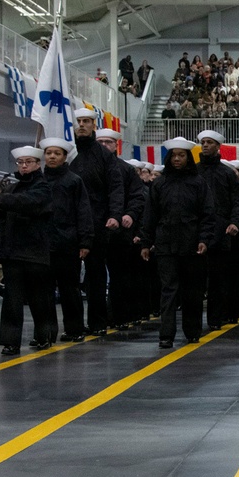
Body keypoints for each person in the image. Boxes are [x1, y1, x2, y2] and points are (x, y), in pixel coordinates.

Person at [140, 136, 215, 348]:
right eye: (174, 156)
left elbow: (208, 214)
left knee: (192, 290)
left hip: (192, 245)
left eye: (182, 155)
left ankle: (192, 331)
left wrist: (204, 239)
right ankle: (166, 334)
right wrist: (146, 242)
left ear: (188, 158)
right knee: (168, 290)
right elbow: (150, 214)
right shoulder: (160, 184)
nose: (177, 159)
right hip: (166, 244)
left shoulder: (199, 183)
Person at [0, 146, 54, 355]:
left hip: (35, 251)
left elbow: (29, 203)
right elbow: (1, 215)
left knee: (38, 298)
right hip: (12, 251)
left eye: (28, 162)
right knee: (12, 300)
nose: (24, 166)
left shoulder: (43, 187)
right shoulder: (11, 189)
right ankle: (11, 341)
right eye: (20, 163)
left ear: (37, 164)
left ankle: (44, 335)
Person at [70, 108, 124, 336]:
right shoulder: (69, 154)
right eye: (79, 121)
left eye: (86, 121)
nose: (82, 125)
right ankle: (73, 325)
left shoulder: (104, 157)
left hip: (97, 223)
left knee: (95, 275)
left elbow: (115, 188)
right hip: (70, 225)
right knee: (69, 278)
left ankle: (97, 322)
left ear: (94, 124)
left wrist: (114, 215)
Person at [41, 138, 95, 342]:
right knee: (44, 292)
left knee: (69, 290)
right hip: (43, 244)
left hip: (67, 243)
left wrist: (85, 241)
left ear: (64, 157)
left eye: (57, 153)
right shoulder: (39, 181)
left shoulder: (74, 181)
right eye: (49, 153)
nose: (52, 156)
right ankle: (46, 332)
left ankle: (74, 329)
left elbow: (83, 212)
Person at [195, 130, 239, 330]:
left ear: (218, 147)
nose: (205, 146)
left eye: (210, 142)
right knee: (196, 280)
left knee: (218, 279)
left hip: (220, 233)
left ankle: (216, 319)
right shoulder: (195, 171)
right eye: (203, 142)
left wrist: (234, 222)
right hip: (195, 232)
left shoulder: (227, 174)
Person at [96, 128, 145, 330]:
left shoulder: (125, 170)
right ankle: (97, 320)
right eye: (101, 142)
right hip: (95, 230)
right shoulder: (85, 166)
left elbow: (138, 196)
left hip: (119, 233)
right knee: (95, 278)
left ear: (116, 145)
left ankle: (119, 316)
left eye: (108, 142)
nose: (104, 145)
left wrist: (130, 214)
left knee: (120, 276)